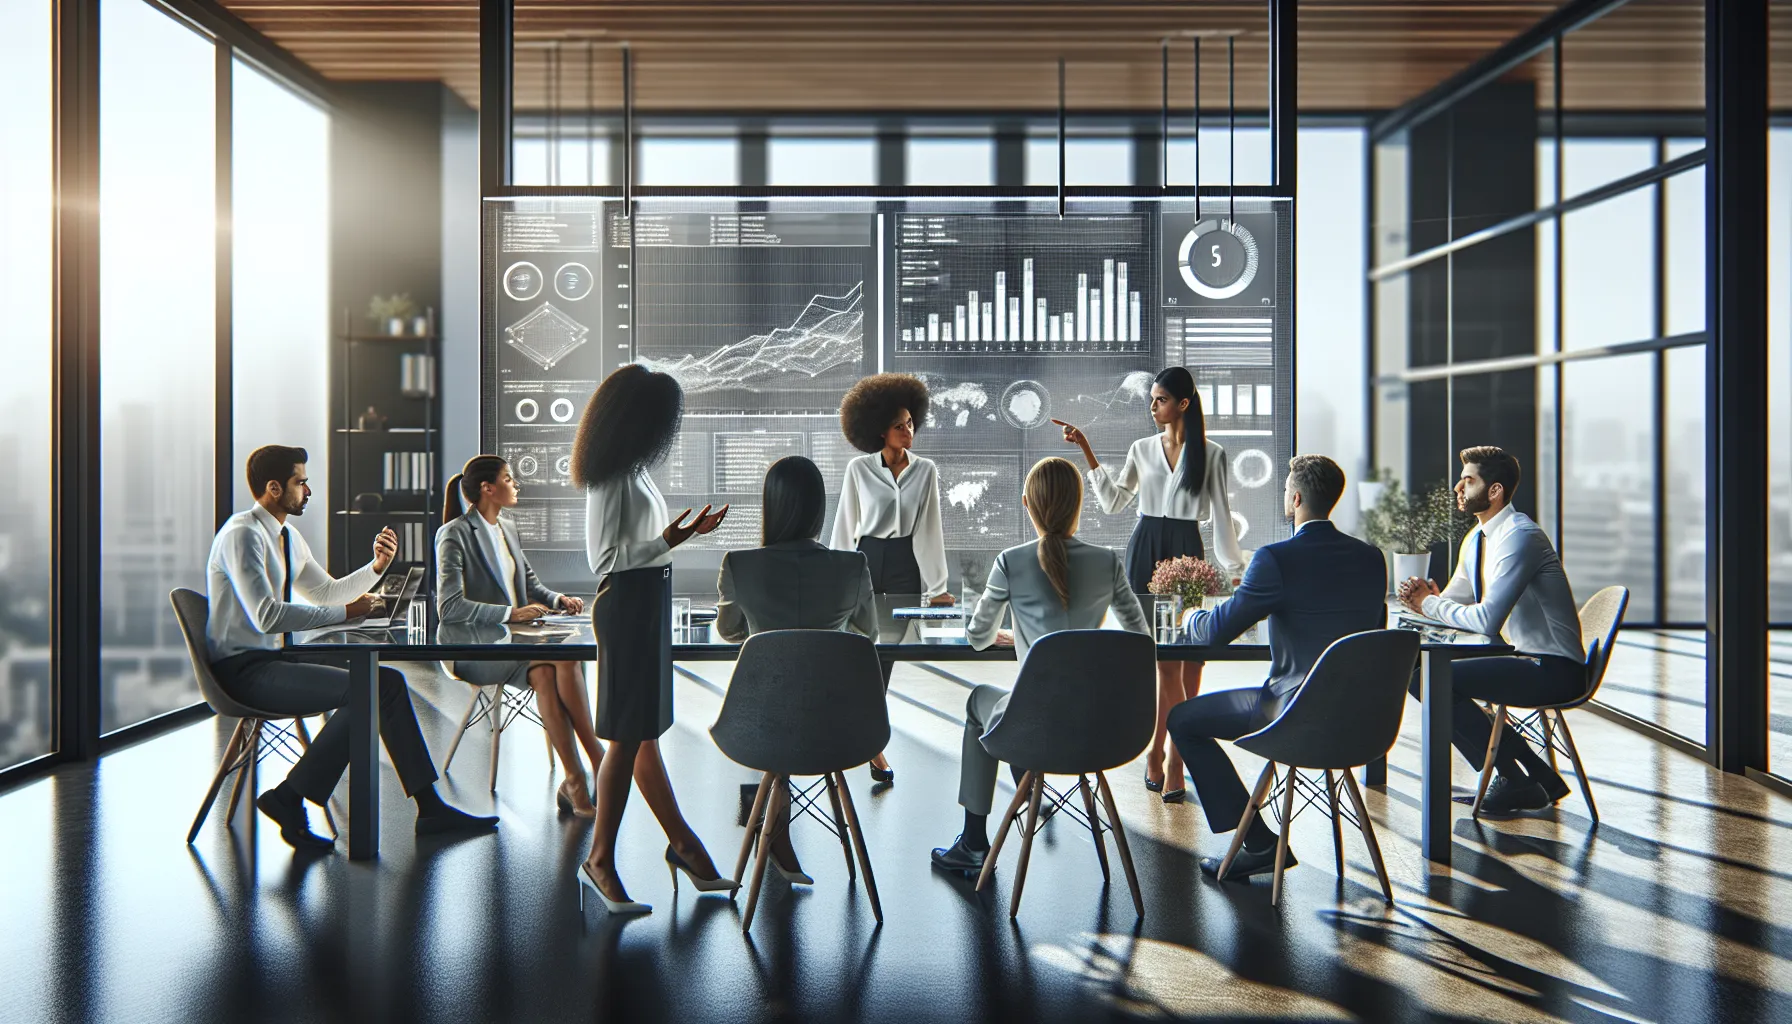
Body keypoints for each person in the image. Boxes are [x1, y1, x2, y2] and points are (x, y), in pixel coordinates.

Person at [206, 445, 497, 851]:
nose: (308, 491)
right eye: (300, 482)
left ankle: (430, 809)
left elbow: (325, 592)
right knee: (371, 690)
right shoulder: (243, 535)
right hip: (243, 670)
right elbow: (266, 617)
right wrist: (345, 612)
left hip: (276, 658)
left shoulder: (287, 537)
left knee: (386, 683)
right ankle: (290, 797)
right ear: (274, 488)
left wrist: (375, 569)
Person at [1165, 454, 1386, 881]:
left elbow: (1214, 633)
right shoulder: (1371, 558)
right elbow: (1370, 636)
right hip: (1363, 721)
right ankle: (1258, 842)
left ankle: (1260, 843)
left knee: (1184, 718)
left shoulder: (1275, 559)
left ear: (1296, 498)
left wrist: (1190, 615)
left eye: (1286, 490)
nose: (1285, 496)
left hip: (1293, 716)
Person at [930, 457, 1151, 876]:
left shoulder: (1011, 561)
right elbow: (1140, 639)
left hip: (1036, 727)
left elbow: (978, 637)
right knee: (1013, 709)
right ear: (1078, 505)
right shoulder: (1107, 561)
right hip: (1100, 729)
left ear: (1027, 503)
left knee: (981, 701)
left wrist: (1022, 636)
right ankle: (1028, 795)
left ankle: (975, 843)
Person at [574, 364, 737, 915]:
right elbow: (603, 561)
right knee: (626, 738)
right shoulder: (609, 477)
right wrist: (667, 538)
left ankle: (685, 846)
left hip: (647, 607)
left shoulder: (634, 472)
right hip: (625, 609)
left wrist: (680, 537)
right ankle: (598, 862)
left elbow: (641, 547)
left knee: (643, 737)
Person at [1054, 366, 1245, 803]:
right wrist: (1086, 449)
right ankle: (1164, 757)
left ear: (1183, 403)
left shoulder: (1211, 453)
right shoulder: (1141, 448)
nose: (1152, 406)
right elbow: (1115, 501)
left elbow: (1220, 516)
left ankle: (1170, 755)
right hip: (1145, 550)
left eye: (1159, 399)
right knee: (1165, 663)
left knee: (1190, 664)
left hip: (1187, 550)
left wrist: (1233, 570)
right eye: (1152, 398)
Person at [715, 454, 879, 885]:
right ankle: (774, 833)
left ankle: (768, 826)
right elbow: (868, 634)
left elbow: (731, 632)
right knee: (800, 704)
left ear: (770, 505)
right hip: (840, 728)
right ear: (819, 509)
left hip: (761, 726)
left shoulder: (739, 564)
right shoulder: (852, 565)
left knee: (775, 707)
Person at [1397, 445, 1583, 816]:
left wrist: (1430, 605)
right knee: (1421, 675)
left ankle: (1518, 779)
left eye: (1468, 480)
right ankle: (1534, 775)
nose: (1457, 488)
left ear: (1494, 490)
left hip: (1554, 668)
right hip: (1519, 659)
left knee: (1429, 681)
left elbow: (1485, 621)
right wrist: (1424, 603)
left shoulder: (1519, 537)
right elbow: (1453, 604)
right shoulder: (1476, 538)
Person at [435, 454, 599, 818]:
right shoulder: (453, 534)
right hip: (474, 648)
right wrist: (511, 614)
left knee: (550, 668)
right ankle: (597, 759)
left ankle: (574, 779)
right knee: (556, 661)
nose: (516, 485)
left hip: (515, 643)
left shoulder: (507, 528)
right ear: (487, 488)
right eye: (508, 479)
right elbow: (449, 607)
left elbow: (528, 583)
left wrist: (559, 599)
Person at [829, 372, 953, 784]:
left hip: (904, 562)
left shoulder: (926, 470)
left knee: (887, 656)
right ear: (880, 428)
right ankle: (871, 743)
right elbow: (846, 525)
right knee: (861, 648)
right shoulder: (859, 469)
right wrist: (836, 580)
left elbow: (930, 528)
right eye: (900, 425)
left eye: (911, 423)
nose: (908, 430)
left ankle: (866, 738)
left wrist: (937, 588)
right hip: (866, 556)